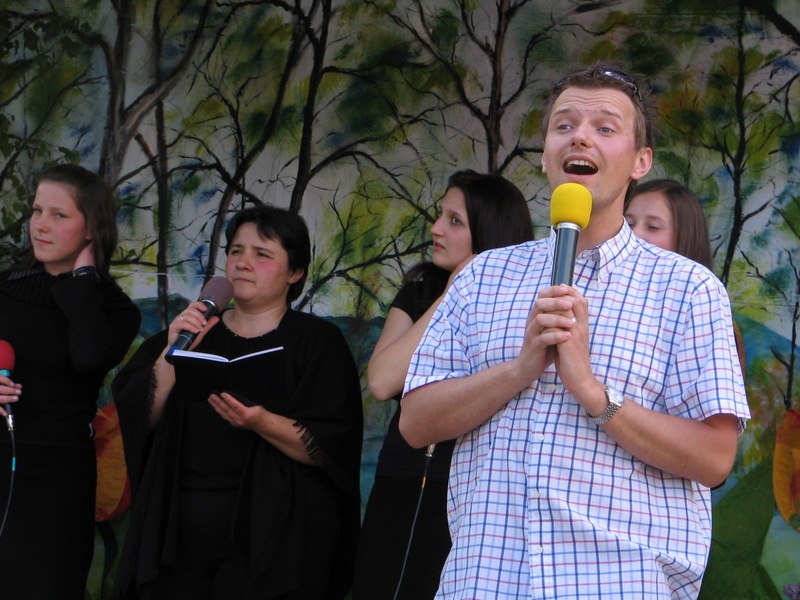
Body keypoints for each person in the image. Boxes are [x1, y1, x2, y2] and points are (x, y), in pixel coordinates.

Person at [399, 64, 750, 599]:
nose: (580, 136)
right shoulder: (483, 276)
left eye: (605, 127)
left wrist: (592, 391)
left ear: (640, 161)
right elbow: (415, 421)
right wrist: (519, 370)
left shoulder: (688, 289)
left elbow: (714, 458)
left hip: (618, 582)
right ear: (545, 155)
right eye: (564, 125)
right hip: (484, 580)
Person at [111, 205, 363, 600]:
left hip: (271, 536)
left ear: (294, 272)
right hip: (179, 536)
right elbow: (138, 417)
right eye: (235, 251)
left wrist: (261, 422)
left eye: (262, 254)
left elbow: (333, 444)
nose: (243, 263)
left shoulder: (317, 342)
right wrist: (175, 350)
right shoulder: (194, 332)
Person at [353, 170, 535, 600]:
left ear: (490, 232)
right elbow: (382, 380)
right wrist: (451, 296)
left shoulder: (521, 302)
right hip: (404, 472)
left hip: (480, 485)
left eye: (455, 221)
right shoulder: (420, 291)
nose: (436, 229)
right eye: (440, 215)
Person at [0, 163, 141, 599]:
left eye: (58, 215)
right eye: (37, 211)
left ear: (91, 229)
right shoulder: (3, 287)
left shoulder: (114, 310)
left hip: (58, 479)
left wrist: (82, 282)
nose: (40, 225)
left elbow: (89, 358)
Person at [624, 178, 746, 375]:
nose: (635, 234)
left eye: (653, 226)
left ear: (685, 235)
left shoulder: (707, 316)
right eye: (628, 224)